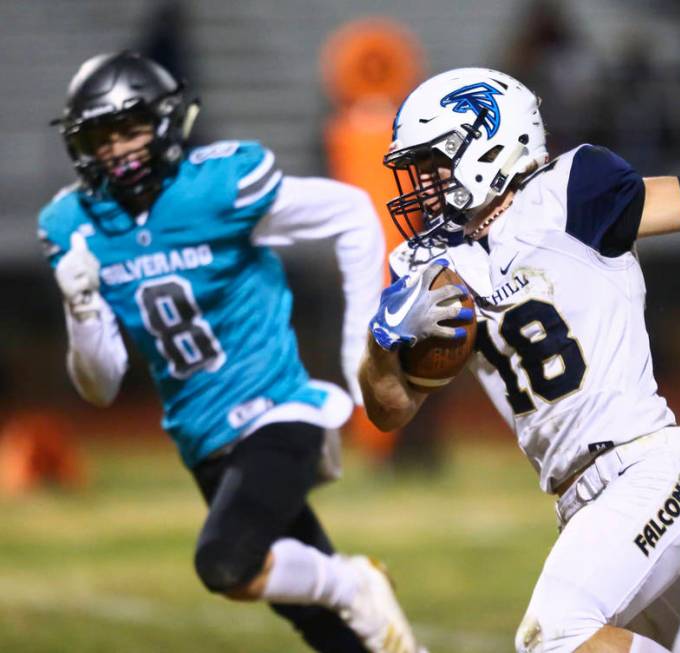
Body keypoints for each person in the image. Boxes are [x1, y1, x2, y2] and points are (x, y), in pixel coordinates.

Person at [358, 68, 680, 653]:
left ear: (489, 144)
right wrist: (382, 344)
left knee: (554, 636)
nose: (422, 186)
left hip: (649, 472)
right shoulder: (434, 266)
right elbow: (391, 410)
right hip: (584, 505)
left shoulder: (572, 190)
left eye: (434, 163)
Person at [38, 51, 422, 653]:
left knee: (226, 563)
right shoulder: (76, 225)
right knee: (313, 619)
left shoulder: (215, 187)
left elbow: (351, 213)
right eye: (100, 135)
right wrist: (82, 306)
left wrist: (360, 355)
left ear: (164, 123)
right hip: (201, 435)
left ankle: (354, 581)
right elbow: (101, 386)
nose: (116, 147)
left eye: (128, 127)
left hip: (277, 410)